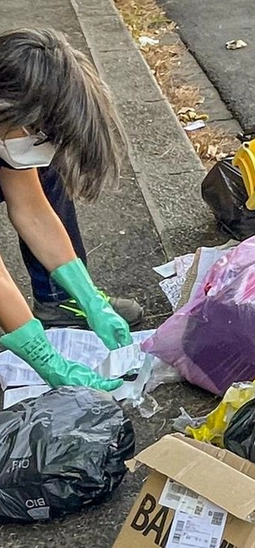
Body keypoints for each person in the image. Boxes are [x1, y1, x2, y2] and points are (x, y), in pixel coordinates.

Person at [0, 27, 142, 391]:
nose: (41, 148)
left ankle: (57, 302)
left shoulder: (9, 124)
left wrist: (89, 297)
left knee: (41, 173)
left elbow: (31, 209)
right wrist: (42, 356)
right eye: (40, 135)